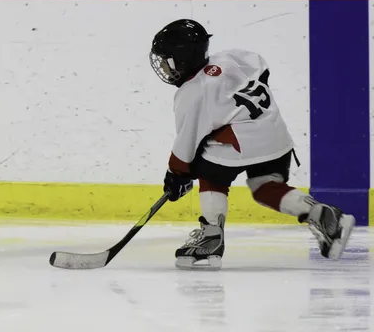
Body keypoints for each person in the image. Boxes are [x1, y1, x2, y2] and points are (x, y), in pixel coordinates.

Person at [149, 19, 356, 270]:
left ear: (182, 57)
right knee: (265, 187)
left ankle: (211, 236)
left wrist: (177, 176)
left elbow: (186, 146)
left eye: (167, 60)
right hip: (276, 136)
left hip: (240, 145)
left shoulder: (192, 93)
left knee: (208, 168)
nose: (164, 66)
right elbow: (261, 66)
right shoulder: (229, 58)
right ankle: (322, 214)